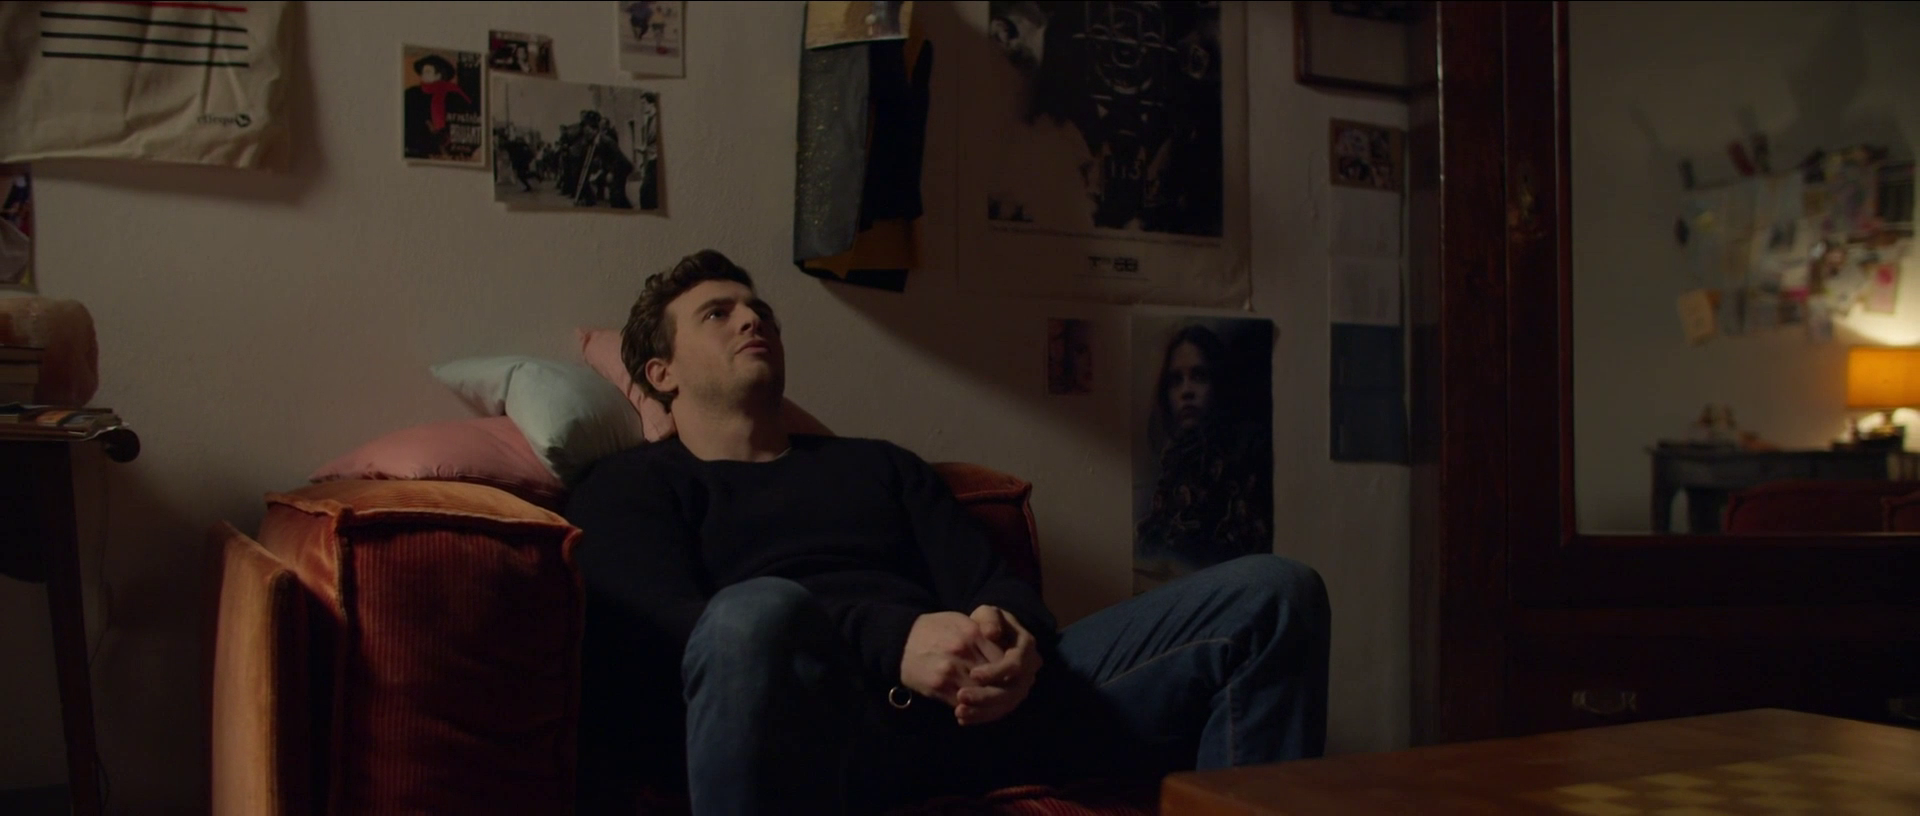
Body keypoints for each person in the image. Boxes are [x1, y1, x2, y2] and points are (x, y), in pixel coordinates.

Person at [566, 251, 1329, 815]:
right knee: (752, 614)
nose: (752, 318)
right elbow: (669, 631)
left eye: (758, 308)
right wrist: (891, 640)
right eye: (718, 313)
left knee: (1273, 593)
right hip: (827, 735)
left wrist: (1013, 637)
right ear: (660, 373)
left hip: (982, 716)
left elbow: (995, 586)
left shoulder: (878, 466)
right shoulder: (628, 486)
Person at [1134, 324, 1275, 588]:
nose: (1186, 391)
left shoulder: (1244, 460)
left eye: (1199, 376)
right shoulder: (1174, 467)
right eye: (1176, 380)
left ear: (1218, 383)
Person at [403, 54, 473, 160]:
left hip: (444, 151)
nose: (422, 75)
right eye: (422, 71)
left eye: (427, 72)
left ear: (438, 75)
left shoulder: (454, 96)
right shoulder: (411, 94)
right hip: (415, 148)